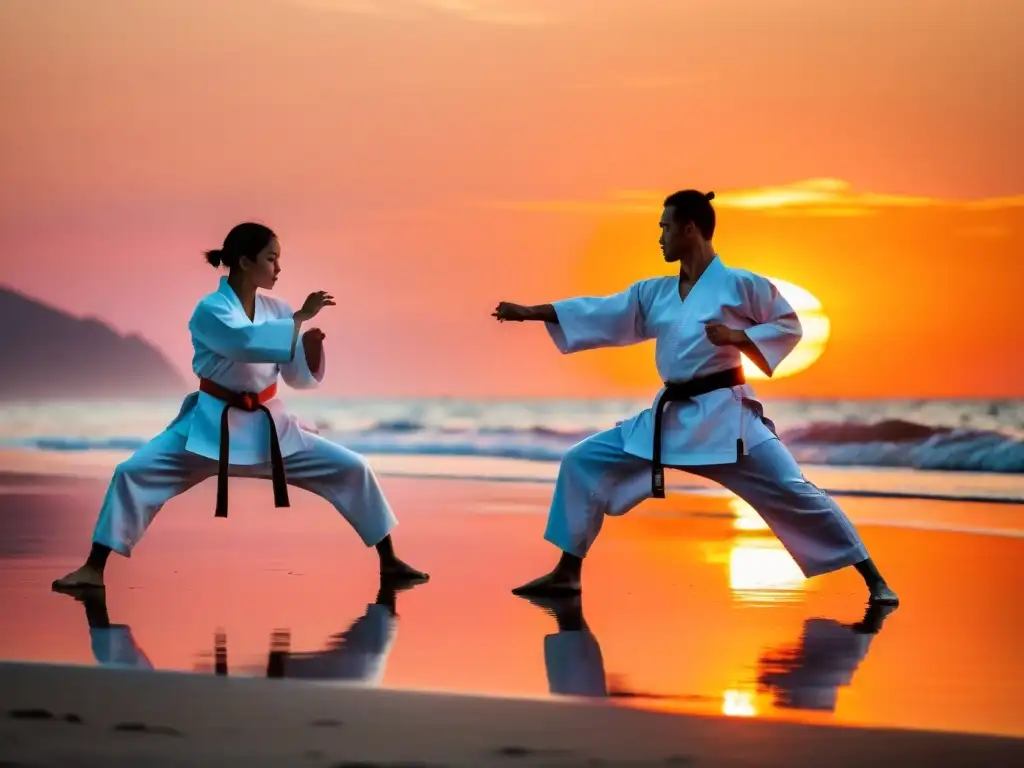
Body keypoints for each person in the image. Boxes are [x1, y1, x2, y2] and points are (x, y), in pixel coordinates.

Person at [492, 190, 898, 606]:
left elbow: (789, 325)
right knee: (583, 461)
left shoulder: (740, 285)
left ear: (690, 229)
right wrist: (532, 312)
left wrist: (738, 337)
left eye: (665, 227)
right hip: (668, 419)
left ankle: (874, 580)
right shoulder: (655, 293)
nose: (660, 237)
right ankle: (567, 573)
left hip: (726, 420)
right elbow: (602, 312)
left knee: (795, 491)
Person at [52, 222, 428, 591]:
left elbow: (295, 378)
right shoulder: (210, 310)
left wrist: (309, 349)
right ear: (246, 262)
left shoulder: (276, 308)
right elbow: (242, 343)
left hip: (271, 434)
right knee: (132, 472)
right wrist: (297, 320)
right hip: (210, 429)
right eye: (271, 259)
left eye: (279, 260)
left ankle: (389, 560)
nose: (278, 268)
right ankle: (92, 568)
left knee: (353, 467)